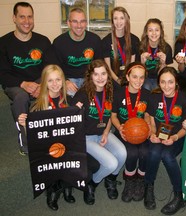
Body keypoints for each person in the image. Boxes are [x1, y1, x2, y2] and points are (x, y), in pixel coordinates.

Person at [18, 65, 77, 210]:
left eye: (58, 79)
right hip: (48, 149)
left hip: (67, 144)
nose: (55, 84)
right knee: (53, 158)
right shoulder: (37, 106)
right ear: (44, 82)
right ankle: (53, 190)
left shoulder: (70, 101)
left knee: (74, 155)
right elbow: (33, 139)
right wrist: (25, 125)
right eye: (50, 81)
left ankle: (68, 186)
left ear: (63, 81)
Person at [72, 59, 127, 204]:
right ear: (90, 76)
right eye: (96, 74)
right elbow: (72, 120)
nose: (100, 78)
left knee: (123, 153)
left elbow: (108, 116)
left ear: (108, 75)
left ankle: (110, 180)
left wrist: (105, 132)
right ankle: (92, 184)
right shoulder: (82, 94)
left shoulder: (110, 91)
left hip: (103, 132)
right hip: (86, 137)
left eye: (103, 73)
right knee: (111, 163)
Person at [0, 2, 51, 155]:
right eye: (22, 17)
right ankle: (26, 141)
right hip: (15, 84)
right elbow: (2, 74)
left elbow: (49, 68)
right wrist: (23, 84)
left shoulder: (43, 41)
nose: (27, 21)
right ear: (14, 18)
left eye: (30, 17)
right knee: (21, 97)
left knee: (53, 90)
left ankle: (48, 136)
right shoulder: (3, 43)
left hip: (38, 81)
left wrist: (41, 85)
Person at [144, 67, 186, 215]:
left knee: (167, 155)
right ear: (158, 83)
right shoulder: (154, 98)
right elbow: (149, 119)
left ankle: (179, 195)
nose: (166, 86)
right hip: (159, 134)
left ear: (176, 82)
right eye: (163, 82)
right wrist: (152, 133)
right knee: (153, 152)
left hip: (178, 136)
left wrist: (174, 137)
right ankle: (148, 186)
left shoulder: (184, 100)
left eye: (170, 82)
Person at [111, 62, 150, 203]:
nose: (138, 81)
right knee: (132, 153)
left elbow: (147, 114)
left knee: (145, 152)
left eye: (141, 77)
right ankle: (129, 181)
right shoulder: (118, 94)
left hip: (141, 132)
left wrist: (148, 124)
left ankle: (140, 180)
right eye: (134, 77)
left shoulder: (146, 94)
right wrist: (119, 128)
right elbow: (113, 116)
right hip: (124, 132)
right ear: (127, 77)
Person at [47, 7, 102, 97]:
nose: (79, 25)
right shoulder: (59, 42)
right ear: (69, 23)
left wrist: (93, 80)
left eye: (82, 21)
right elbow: (54, 68)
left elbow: (100, 65)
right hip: (69, 80)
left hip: (89, 78)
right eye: (75, 21)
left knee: (93, 97)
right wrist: (65, 81)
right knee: (71, 98)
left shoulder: (95, 40)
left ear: (86, 23)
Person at [102, 6, 140, 89]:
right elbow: (107, 68)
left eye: (122, 18)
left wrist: (128, 80)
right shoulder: (106, 41)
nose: (118, 22)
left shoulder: (134, 40)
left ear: (126, 20)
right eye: (115, 18)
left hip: (129, 79)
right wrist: (118, 80)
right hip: (113, 80)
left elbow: (132, 64)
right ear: (112, 21)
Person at [139, 18, 173, 91]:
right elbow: (139, 74)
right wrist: (142, 63)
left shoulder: (167, 48)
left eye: (157, 30)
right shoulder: (140, 47)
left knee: (157, 89)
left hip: (159, 78)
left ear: (161, 32)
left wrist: (163, 63)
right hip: (145, 77)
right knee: (146, 87)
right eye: (150, 30)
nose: (154, 33)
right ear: (146, 32)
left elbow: (163, 74)